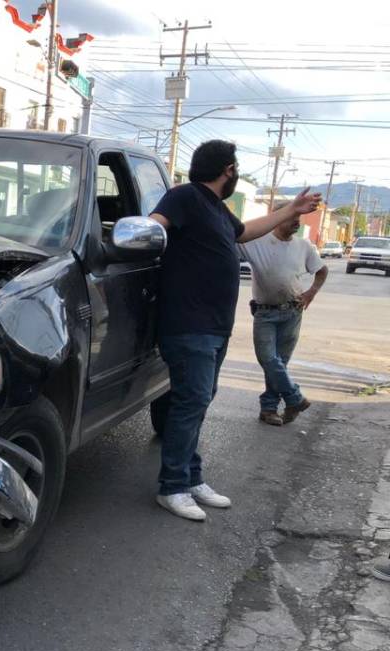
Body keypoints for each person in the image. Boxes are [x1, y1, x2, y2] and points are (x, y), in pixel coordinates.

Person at [148, 140, 320, 522]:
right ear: (228, 170)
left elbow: (245, 231)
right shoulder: (184, 197)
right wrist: (138, 236)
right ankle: (172, 487)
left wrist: (290, 209)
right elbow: (153, 227)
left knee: (199, 401)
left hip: (214, 327)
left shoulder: (216, 209)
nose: (237, 172)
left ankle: (190, 477)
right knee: (190, 402)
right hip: (188, 325)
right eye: (236, 167)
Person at [243, 202, 328, 426]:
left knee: (280, 363)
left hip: (292, 312)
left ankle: (269, 409)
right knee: (269, 359)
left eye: (299, 217)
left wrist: (311, 293)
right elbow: (233, 234)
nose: (297, 222)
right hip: (265, 313)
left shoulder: (304, 246)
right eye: (293, 216)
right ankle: (295, 398)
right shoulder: (255, 242)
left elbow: (322, 270)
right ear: (278, 217)